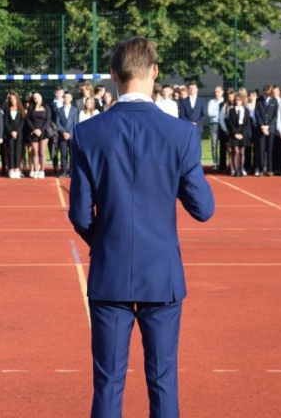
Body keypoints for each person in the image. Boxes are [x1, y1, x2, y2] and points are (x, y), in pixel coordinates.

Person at [69, 36, 214, 418]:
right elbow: (204, 209)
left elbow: (80, 214)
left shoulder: (87, 133)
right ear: (154, 72)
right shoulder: (181, 134)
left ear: (114, 76)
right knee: (163, 380)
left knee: (108, 382)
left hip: (110, 270)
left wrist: (106, 237)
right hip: (162, 273)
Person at [254, 84, 279, 176]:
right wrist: (262, 126)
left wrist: (268, 126)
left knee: (270, 150)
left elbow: (275, 115)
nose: (267, 94)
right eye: (266, 92)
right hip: (261, 129)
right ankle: (261, 169)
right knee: (261, 149)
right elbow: (257, 114)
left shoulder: (275, 101)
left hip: (270, 129)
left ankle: (270, 169)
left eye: (269, 93)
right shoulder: (259, 100)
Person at [25, 92, 51, 179]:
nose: (36, 99)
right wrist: (34, 130)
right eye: (34, 98)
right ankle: (36, 170)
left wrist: (40, 130)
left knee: (42, 152)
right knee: (35, 152)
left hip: (43, 133)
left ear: (41, 97)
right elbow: (28, 119)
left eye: (38, 97)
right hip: (33, 133)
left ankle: (42, 171)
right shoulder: (31, 108)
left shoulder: (46, 107)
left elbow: (48, 120)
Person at [227, 93, 251, 177]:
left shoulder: (246, 110)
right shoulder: (231, 110)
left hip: (243, 132)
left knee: (242, 151)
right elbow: (230, 123)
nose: (238, 102)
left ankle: (241, 169)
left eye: (239, 100)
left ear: (242, 101)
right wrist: (235, 134)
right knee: (236, 151)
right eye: (236, 100)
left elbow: (247, 124)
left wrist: (243, 134)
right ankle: (235, 169)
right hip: (234, 132)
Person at [55, 91, 79, 178]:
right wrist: (63, 132)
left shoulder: (75, 110)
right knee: (63, 154)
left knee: (72, 154)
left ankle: (72, 171)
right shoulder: (59, 110)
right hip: (62, 136)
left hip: (71, 135)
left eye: (68, 97)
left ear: (71, 99)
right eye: (65, 97)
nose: (66, 99)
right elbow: (57, 123)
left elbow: (75, 123)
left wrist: (69, 133)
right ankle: (64, 171)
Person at [4, 92, 25, 180]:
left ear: (17, 99)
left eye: (14, 98)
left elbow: (22, 122)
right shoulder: (7, 109)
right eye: (11, 99)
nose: (12, 100)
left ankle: (17, 169)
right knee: (10, 151)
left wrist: (16, 131)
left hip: (19, 134)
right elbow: (6, 122)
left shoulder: (20, 109)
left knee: (18, 151)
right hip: (10, 134)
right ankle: (11, 169)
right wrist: (11, 131)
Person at [49, 86, 65, 176]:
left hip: (64, 131)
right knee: (54, 151)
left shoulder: (66, 103)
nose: (58, 94)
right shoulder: (51, 104)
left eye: (60, 92)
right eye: (57, 92)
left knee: (64, 152)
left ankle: (64, 170)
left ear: (63, 93)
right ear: (55, 93)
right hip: (54, 131)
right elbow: (50, 118)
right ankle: (55, 170)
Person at [207, 86, 224, 169]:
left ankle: (223, 162)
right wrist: (218, 111)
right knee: (214, 143)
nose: (216, 93)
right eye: (215, 92)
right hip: (214, 124)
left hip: (224, 124)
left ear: (222, 92)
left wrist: (216, 111)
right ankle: (215, 162)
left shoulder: (225, 102)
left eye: (218, 91)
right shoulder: (211, 102)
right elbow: (210, 113)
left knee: (224, 144)